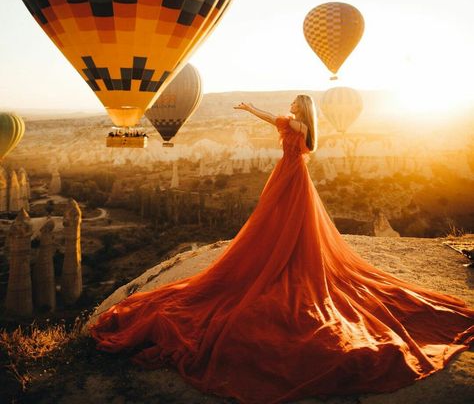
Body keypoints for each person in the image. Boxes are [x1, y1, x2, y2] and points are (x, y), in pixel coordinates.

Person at [89, 95, 474, 404]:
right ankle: (286, 252)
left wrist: (250, 108)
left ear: (301, 108)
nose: (288, 105)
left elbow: (270, 119)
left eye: (294, 102)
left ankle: (281, 254)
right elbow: (282, 129)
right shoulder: (304, 127)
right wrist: (256, 111)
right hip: (293, 175)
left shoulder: (295, 123)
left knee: (278, 216)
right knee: (288, 219)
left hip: (288, 175)